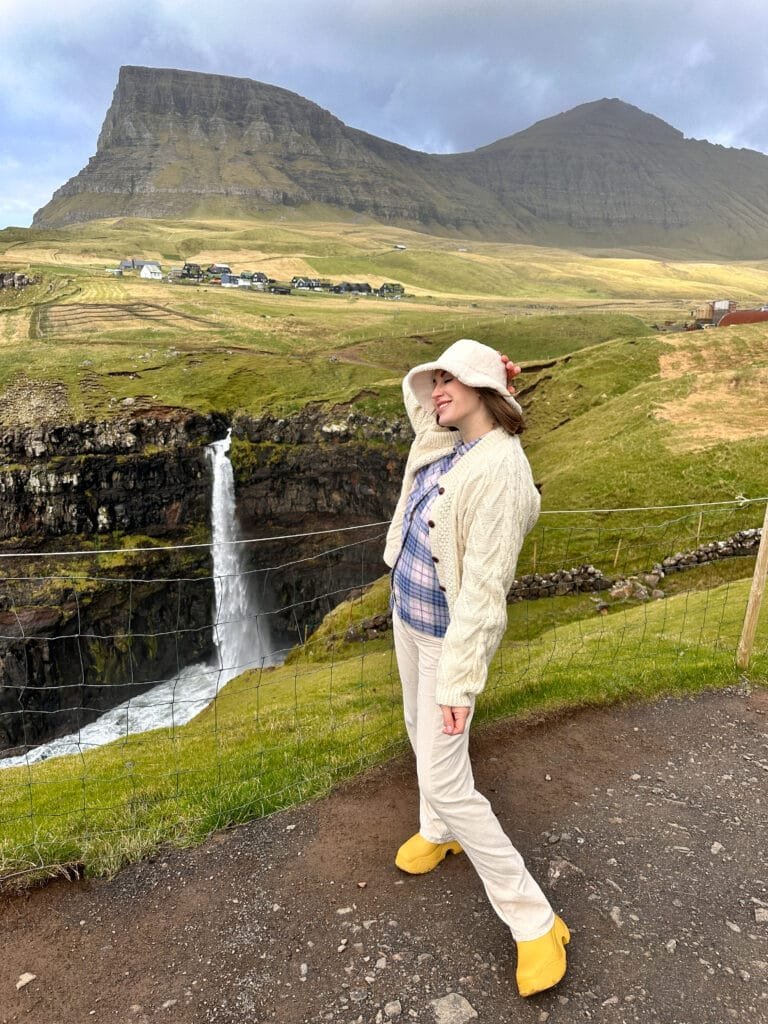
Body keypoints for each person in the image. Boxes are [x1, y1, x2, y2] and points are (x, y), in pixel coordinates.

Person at [383, 338, 570, 999]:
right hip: (409, 621)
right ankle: (438, 832)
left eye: (449, 381)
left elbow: (486, 592)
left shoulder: (501, 474)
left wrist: (460, 682)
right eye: (433, 380)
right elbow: (425, 416)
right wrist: (472, 383)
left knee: (448, 776)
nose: (435, 391)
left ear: (481, 389)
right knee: (415, 730)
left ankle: (535, 921)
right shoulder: (450, 444)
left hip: (446, 643)